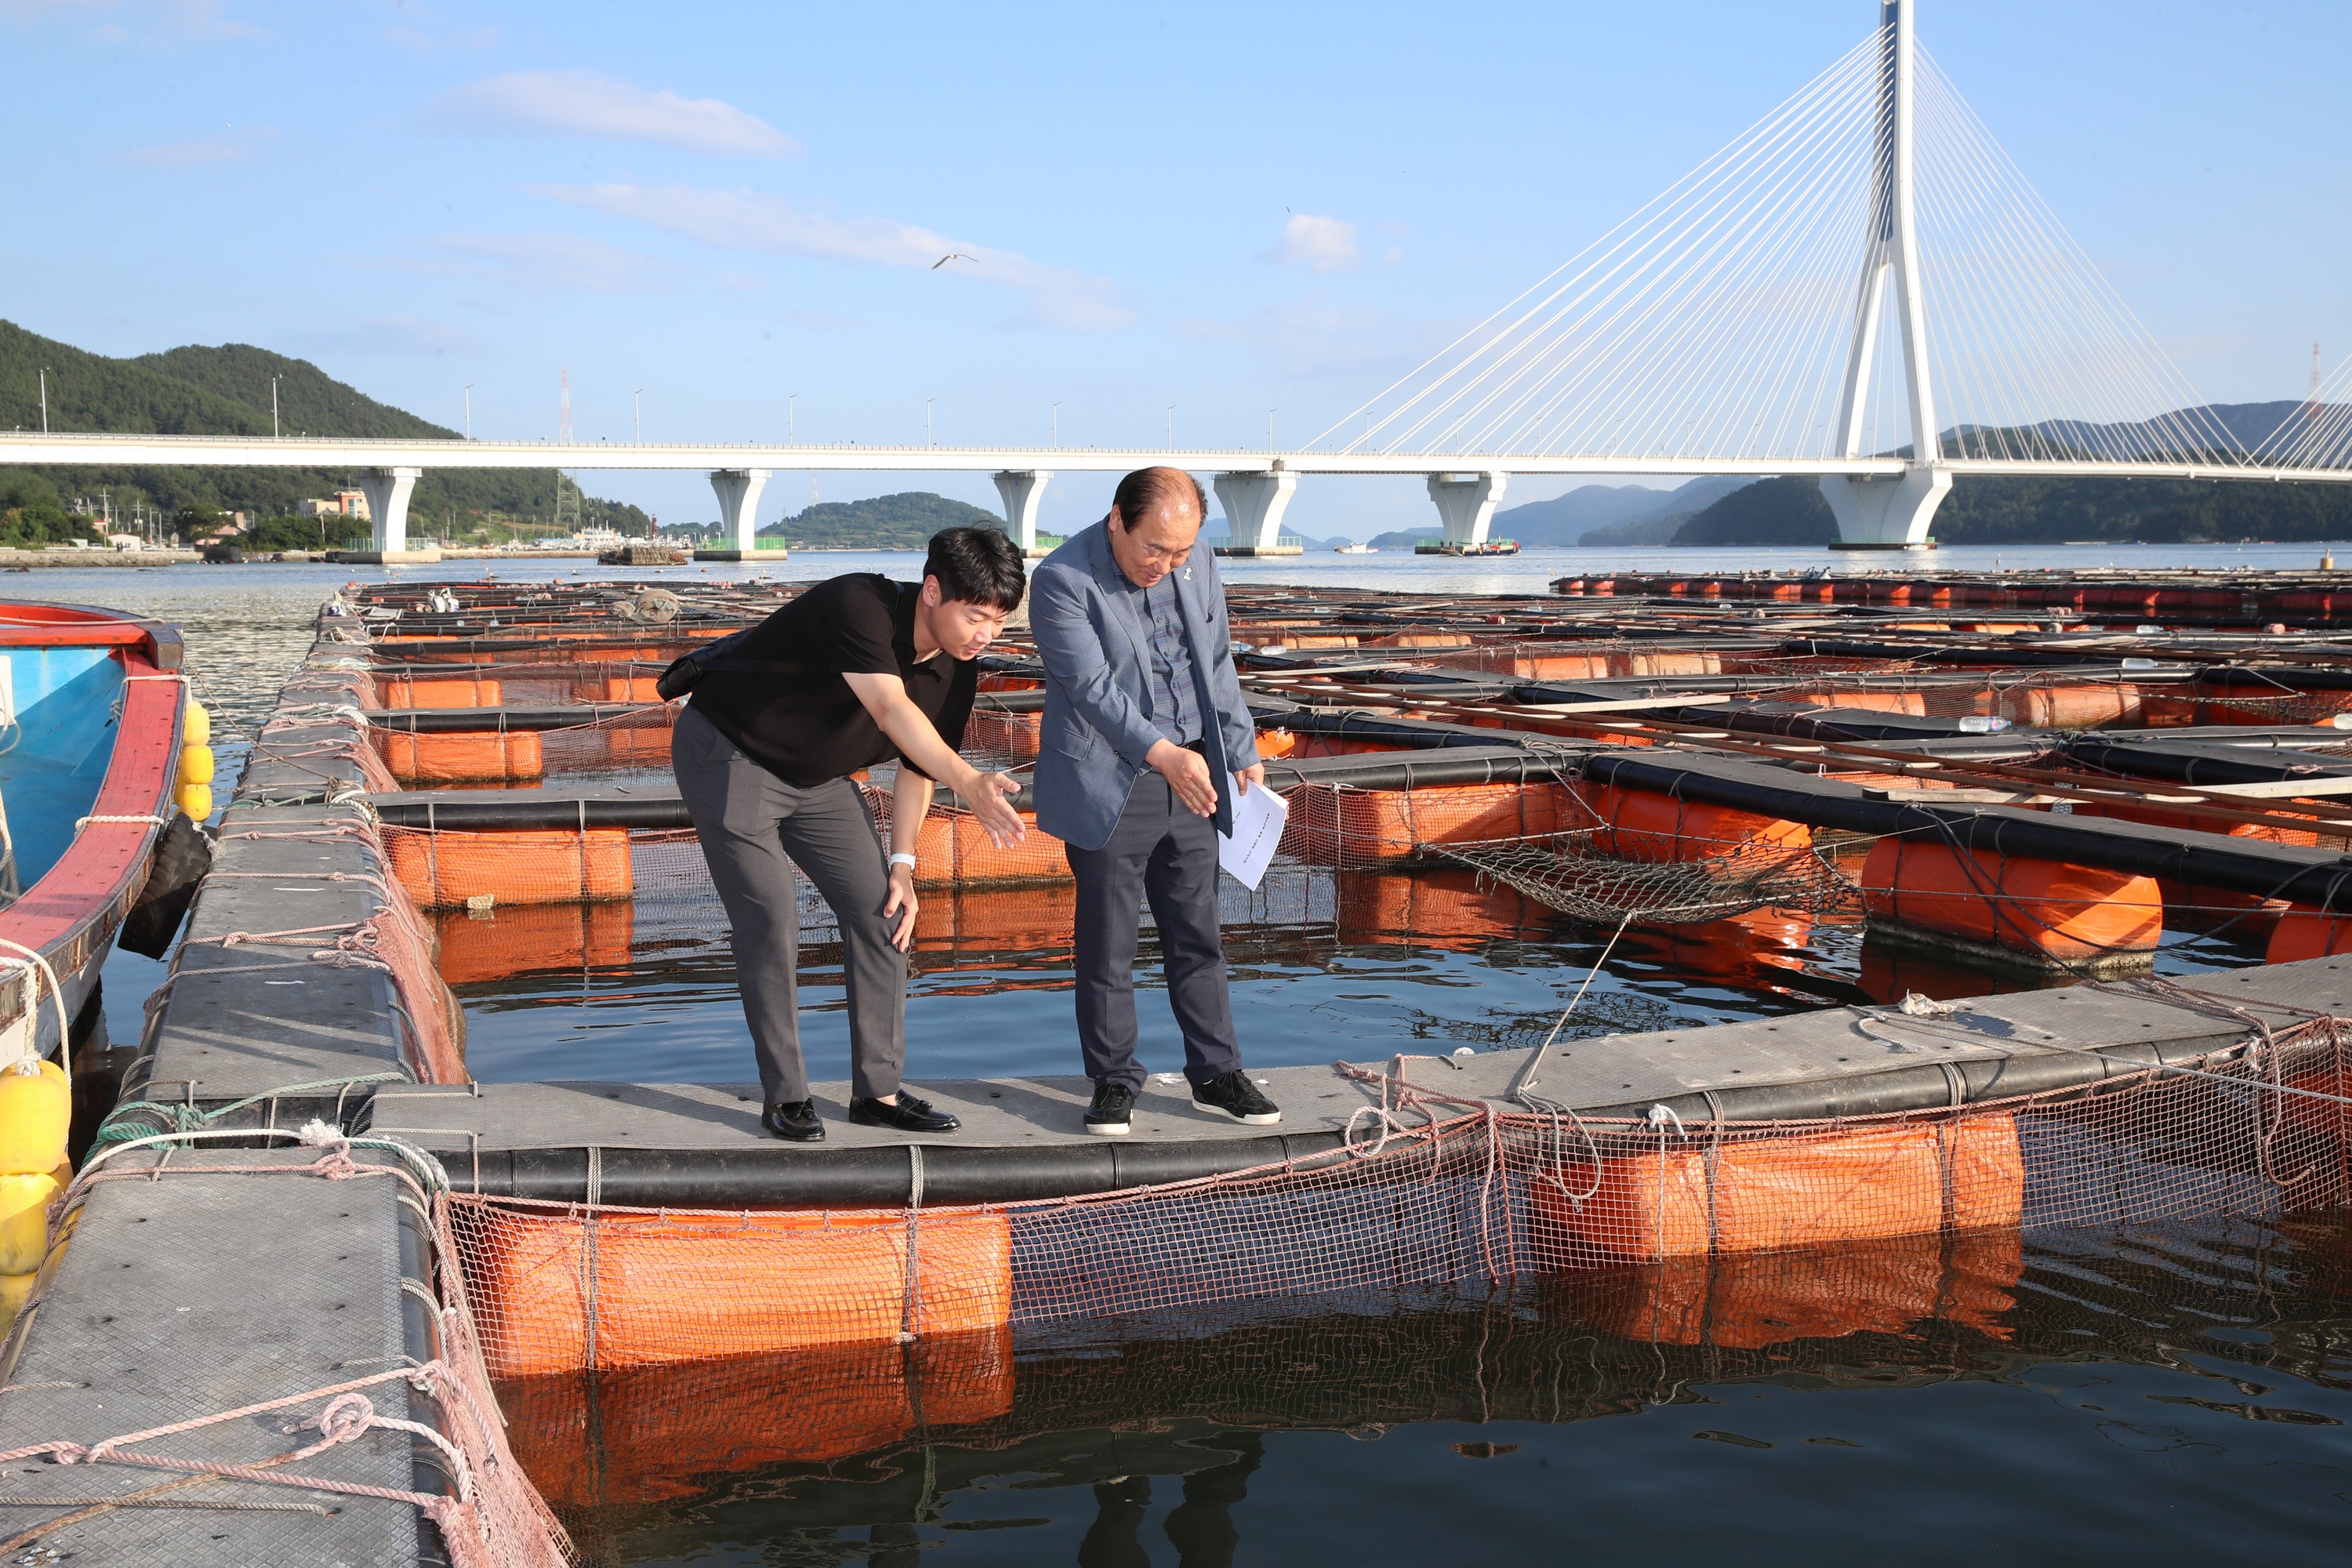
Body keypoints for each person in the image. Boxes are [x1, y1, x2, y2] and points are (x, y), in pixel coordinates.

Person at [671, 526, 1027, 1142]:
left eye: (997, 622)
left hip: (821, 778)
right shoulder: (857, 605)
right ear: (934, 591)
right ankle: (786, 1096)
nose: (985, 635)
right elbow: (891, 711)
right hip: (730, 754)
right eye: (975, 617)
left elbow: (918, 765)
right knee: (772, 917)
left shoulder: (958, 668)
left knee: (885, 913)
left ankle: (878, 1095)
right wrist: (970, 781)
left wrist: (904, 865)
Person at [1029, 466, 1282, 1136]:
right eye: (1154, 550)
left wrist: (1240, 745)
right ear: (1117, 518)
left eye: (1179, 552)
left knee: (1197, 932)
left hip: (1196, 769)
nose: (1167, 565)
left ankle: (1216, 1072)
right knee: (1108, 942)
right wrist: (1165, 756)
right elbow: (1092, 690)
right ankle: (1114, 1080)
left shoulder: (1196, 560)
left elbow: (1218, 660)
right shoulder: (1061, 581)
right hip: (1112, 781)